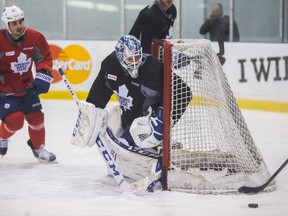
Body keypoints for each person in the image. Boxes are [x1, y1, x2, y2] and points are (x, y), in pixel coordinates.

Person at [72, 35, 191, 191]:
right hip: (130, 119)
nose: (135, 62)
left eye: (137, 57)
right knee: (130, 137)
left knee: (145, 135)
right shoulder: (110, 66)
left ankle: (158, 152)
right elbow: (97, 96)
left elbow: (184, 93)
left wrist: (164, 118)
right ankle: (134, 147)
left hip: (149, 119)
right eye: (130, 59)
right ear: (120, 57)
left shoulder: (153, 68)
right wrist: (90, 118)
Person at [0, 5, 56, 162]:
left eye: (20, 21)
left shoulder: (35, 37)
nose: (19, 26)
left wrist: (43, 74)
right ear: (6, 24)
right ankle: (2, 137)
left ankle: (38, 148)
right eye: (14, 23)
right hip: (5, 92)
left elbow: (44, 58)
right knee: (15, 121)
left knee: (37, 118)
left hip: (27, 88)